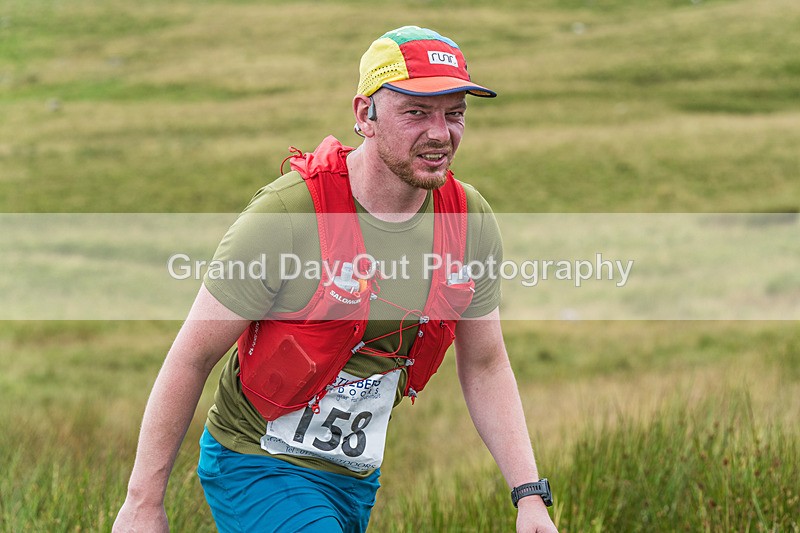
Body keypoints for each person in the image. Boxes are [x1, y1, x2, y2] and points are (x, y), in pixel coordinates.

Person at [114, 26, 557, 533]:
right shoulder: (289, 213)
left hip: (354, 480)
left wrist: (529, 496)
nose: (440, 133)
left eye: (454, 113)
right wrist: (142, 503)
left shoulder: (467, 220)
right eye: (416, 112)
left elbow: (485, 364)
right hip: (255, 462)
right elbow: (192, 356)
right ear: (365, 115)